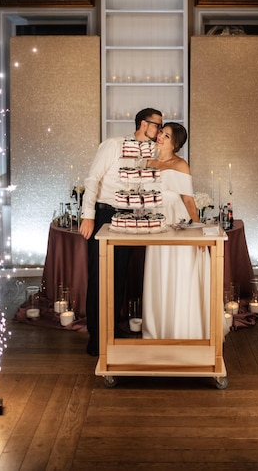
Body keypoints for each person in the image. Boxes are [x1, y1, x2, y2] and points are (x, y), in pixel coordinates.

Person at [80, 107, 163, 356]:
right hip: (104, 214)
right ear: (143, 124)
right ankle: (96, 340)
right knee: (99, 276)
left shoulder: (148, 154)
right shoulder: (113, 145)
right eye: (157, 125)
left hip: (128, 217)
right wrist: (88, 216)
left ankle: (112, 330)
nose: (159, 130)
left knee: (119, 276)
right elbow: (92, 179)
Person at [142, 122, 211, 339]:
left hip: (176, 220)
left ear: (175, 144)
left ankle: (181, 329)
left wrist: (198, 230)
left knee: (177, 270)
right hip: (154, 223)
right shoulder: (146, 162)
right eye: (161, 133)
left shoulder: (181, 165)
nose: (160, 137)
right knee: (158, 271)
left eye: (167, 136)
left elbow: (188, 200)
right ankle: (157, 330)